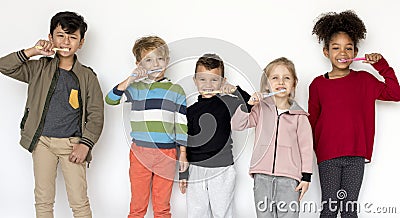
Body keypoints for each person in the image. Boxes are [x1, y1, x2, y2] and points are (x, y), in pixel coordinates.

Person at [0, 11, 104, 218]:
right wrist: (33, 51)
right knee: (43, 199)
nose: (66, 42)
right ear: (50, 38)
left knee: (79, 201)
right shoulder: (38, 68)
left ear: (81, 42)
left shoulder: (87, 76)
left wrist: (86, 144)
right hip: (42, 142)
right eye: (60, 35)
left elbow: (96, 114)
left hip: (72, 144)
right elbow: (4, 66)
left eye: (72, 37)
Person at [308, 10, 400, 217]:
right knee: (330, 209)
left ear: (356, 51)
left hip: (356, 155)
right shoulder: (317, 85)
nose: (343, 53)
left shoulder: (365, 81)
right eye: (336, 47)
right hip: (328, 156)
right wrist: (314, 152)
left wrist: (381, 66)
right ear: (326, 52)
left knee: (350, 210)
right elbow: (312, 122)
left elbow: (396, 94)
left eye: (348, 48)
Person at [105, 35, 188, 218]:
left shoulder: (176, 90)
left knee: (162, 206)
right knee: (137, 205)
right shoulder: (136, 89)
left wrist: (183, 153)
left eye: (160, 58)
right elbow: (110, 99)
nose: (156, 64)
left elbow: (182, 124)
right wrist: (130, 79)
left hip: (167, 154)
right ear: (139, 64)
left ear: (167, 61)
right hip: (140, 153)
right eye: (148, 60)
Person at [231, 57, 313, 218]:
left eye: (287, 78)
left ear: (294, 83)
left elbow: (306, 147)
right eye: (275, 78)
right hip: (262, 176)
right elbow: (237, 125)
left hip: (290, 179)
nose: (281, 82)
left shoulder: (300, 116)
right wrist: (248, 105)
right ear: (267, 84)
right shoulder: (260, 109)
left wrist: (306, 177)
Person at [178, 53, 252, 218]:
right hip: (196, 169)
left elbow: (252, 106)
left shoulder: (229, 102)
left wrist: (235, 90)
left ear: (223, 81)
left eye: (214, 80)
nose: (208, 85)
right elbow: (185, 142)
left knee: (223, 212)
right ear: (195, 81)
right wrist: (183, 173)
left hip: (222, 169)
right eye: (202, 79)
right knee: (196, 212)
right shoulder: (189, 111)